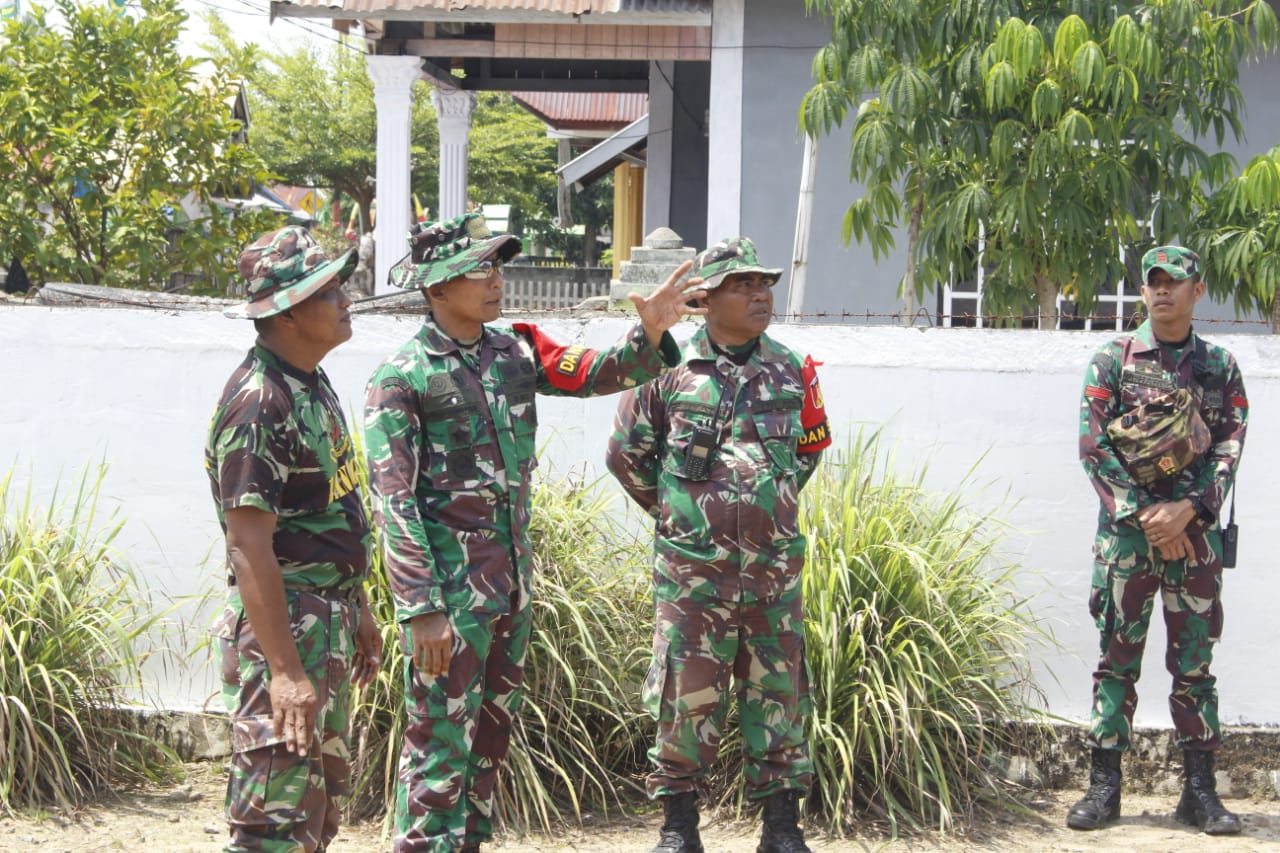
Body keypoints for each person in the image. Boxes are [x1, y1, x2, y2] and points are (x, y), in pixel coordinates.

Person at [362, 212, 703, 853]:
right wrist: (421, 609)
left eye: (497, 265)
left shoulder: (514, 351)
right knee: (438, 747)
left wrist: (650, 331)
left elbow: (597, 372)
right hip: (450, 603)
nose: (496, 279)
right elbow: (394, 502)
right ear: (437, 288)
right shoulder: (402, 378)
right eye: (479, 269)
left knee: (488, 746)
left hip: (508, 588)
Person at [605, 237, 832, 853]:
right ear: (704, 301)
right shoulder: (666, 366)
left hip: (772, 575)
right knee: (685, 699)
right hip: (693, 577)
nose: (760, 296)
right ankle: (678, 828)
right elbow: (626, 456)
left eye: (764, 284)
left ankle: (782, 829)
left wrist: (763, 507)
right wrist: (681, 516)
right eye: (742, 285)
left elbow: (809, 450)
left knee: (779, 699)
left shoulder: (792, 368)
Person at [207, 226, 383, 853]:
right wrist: (283, 672)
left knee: (315, 813)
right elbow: (248, 547)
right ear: (286, 313)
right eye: (329, 292)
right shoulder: (260, 404)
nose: (347, 300)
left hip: (325, 622)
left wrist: (359, 606)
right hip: (284, 634)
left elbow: (330, 508)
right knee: (272, 822)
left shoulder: (310, 381)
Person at [1071, 245, 1248, 835]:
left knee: (1195, 665)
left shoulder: (1220, 366)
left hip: (1195, 541)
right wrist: (1151, 516)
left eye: (1175, 281)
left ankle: (1199, 793)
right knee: (1116, 661)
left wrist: (1187, 512)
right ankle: (1104, 789)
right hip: (1128, 539)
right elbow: (1094, 447)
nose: (1163, 290)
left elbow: (1228, 447)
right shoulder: (1113, 360)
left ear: (1198, 291)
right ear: (1144, 292)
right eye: (1154, 282)